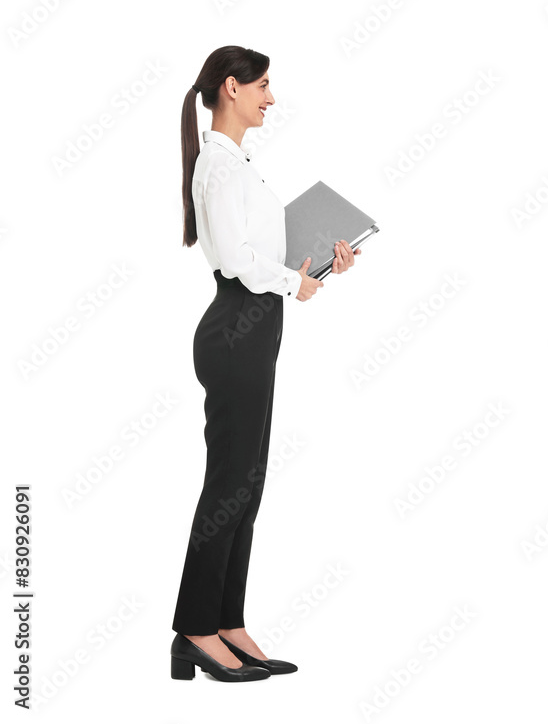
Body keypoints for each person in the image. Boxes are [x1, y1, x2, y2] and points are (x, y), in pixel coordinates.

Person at [170, 45, 360, 683]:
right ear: (232, 87)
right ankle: (194, 631)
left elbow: (262, 250)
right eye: (264, 86)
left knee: (246, 483)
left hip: (253, 330)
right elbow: (232, 258)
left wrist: (319, 264)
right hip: (233, 330)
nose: (271, 98)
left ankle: (227, 621)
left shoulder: (238, 164)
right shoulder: (219, 169)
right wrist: (291, 283)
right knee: (228, 483)